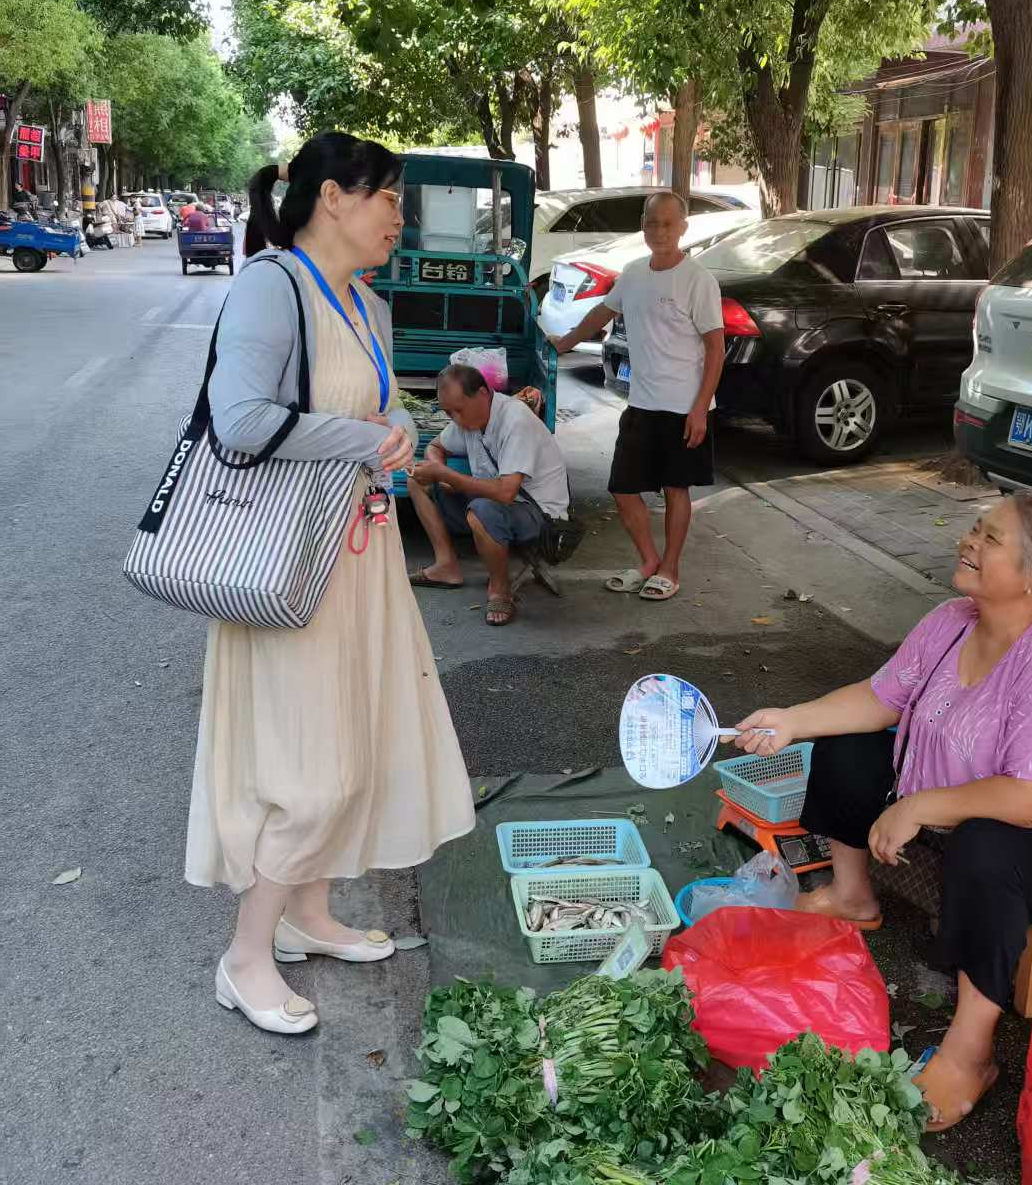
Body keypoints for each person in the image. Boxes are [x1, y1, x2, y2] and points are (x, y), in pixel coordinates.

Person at [186, 132, 475, 1036]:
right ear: (333, 199)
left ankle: (307, 915)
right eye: (388, 196)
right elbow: (238, 419)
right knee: (314, 770)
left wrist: (397, 431)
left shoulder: (369, 304)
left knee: (355, 738)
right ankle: (245, 956)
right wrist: (362, 438)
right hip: (289, 563)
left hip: (360, 554)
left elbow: (373, 413)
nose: (400, 216)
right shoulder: (272, 284)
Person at [733, 491, 1032, 1131]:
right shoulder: (952, 620)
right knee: (846, 745)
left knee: (987, 844)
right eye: (973, 529)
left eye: (990, 538)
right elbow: (880, 698)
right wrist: (792, 721)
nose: (968, 542)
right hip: (965, 809)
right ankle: (852, 896)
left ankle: (971, 1053)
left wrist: (920, 805)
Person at [548, 191, 724, 602]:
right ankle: (648, 562)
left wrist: (700, 409)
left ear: (683, 227)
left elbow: (716, 349)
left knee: (676, 489)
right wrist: (566, 341)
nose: (659, 231)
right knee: (623, 487)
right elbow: (603, 312)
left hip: (684, 406)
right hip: (642, 403)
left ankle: (670, 570)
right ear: (643, 226)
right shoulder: (632, 273)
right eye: (651, 223)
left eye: (667, 223)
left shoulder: (698, 279)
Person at [405, 363, 569, 627]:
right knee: (417, 481)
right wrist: (439, 471)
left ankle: (500, 589)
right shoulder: (468, 418)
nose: (455, 418)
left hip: (540, 514)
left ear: (482, 393)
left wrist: (448, 476)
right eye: (448, 412)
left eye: (459, 410)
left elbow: (506, 492)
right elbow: (435, 446)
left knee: (482, 511)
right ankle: (446, 565)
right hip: (495, 502)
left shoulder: (515, 419)